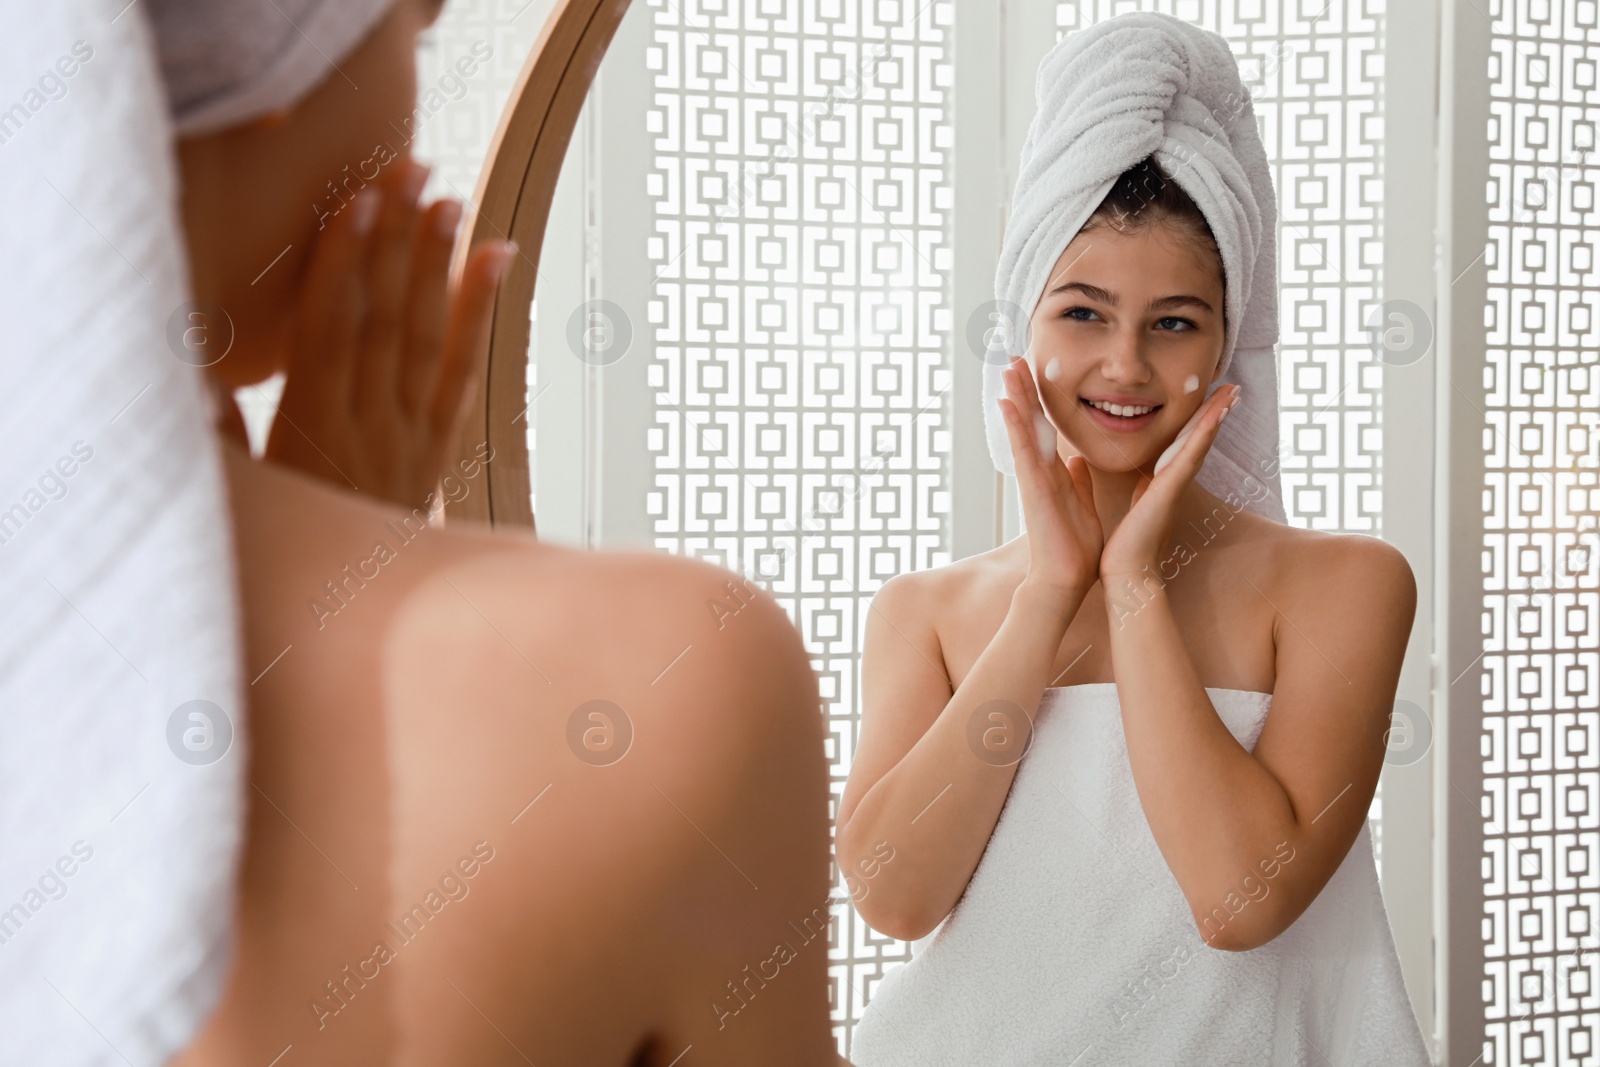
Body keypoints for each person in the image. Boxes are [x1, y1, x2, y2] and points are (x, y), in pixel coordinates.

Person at [148, 0, 847, 1063]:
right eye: (407, 25)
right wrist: (367, 595)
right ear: (261, 87)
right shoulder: (664, 675)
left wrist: (341, 553)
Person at [837, 12, 1431, 1066]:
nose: (1123, 364)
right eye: (1080, 313)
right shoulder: (926, 613)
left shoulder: (1344, 585)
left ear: (1226, 339)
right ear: (1020, 327)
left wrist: (1132, 588)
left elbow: (1240, 900)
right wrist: (1044, 594)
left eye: (1173, 322)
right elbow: (896, 895)